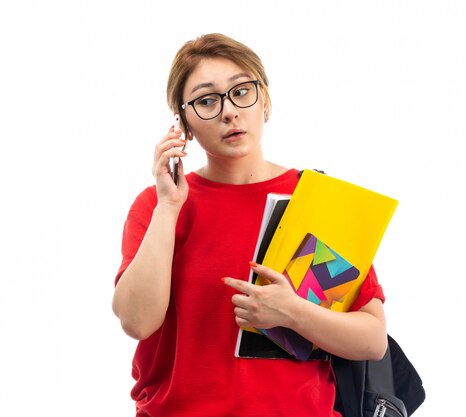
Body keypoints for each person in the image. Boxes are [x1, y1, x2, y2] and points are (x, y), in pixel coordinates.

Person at [112, 33, 387, 417]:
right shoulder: (158, 204)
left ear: (265, 101)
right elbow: (136, 322)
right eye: (207, 100)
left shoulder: (318, 201)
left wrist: (292, 312)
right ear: (183, 122)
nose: (229, 111)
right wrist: (169, 206)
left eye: (242, 91)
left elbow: (372, 341)